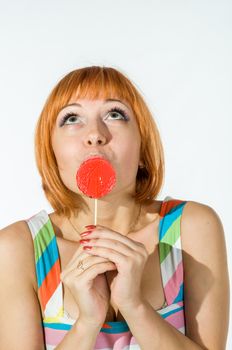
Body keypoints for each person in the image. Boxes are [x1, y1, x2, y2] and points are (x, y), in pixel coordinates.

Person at [0, 66, 229, 350]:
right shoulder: (17, 247)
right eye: (72, 118)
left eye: (115, 114)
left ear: (143, 148)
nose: (95, 134)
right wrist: (87, 323)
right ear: (52, 152)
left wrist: (135, 306)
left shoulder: (192, 227)